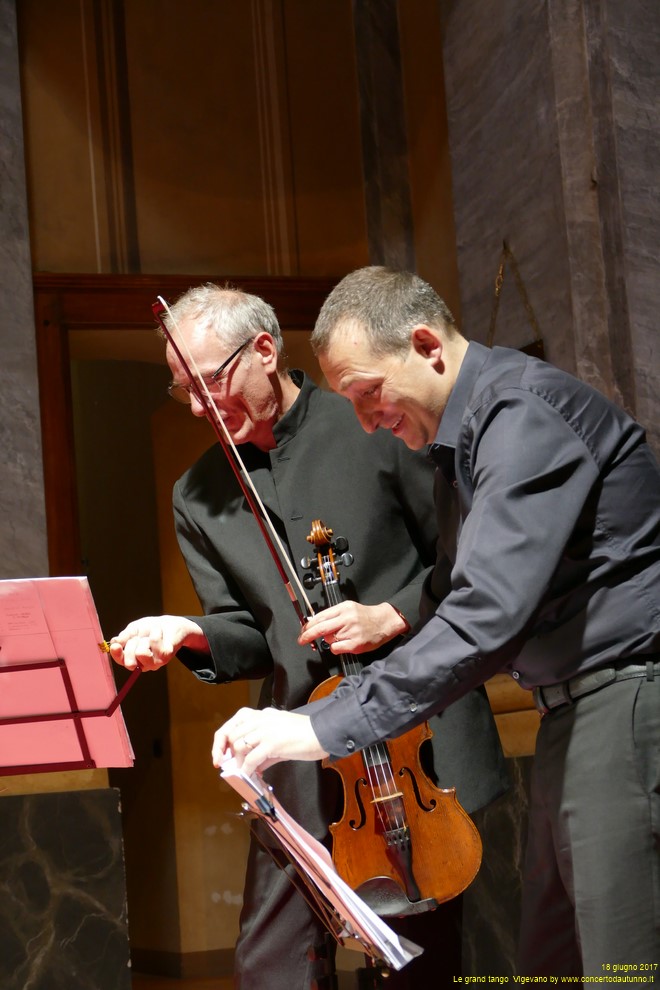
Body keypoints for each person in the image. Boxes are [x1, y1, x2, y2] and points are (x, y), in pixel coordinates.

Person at [214, 266, 660, 982]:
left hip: (625, 705)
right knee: (555, 964)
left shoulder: (521, 415)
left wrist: (321, 727)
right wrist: (387, 614)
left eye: (368, 394)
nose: (366, 421)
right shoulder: (468, 437)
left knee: (623, 967)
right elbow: (453, 583)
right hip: (573, 713)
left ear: (426, 344)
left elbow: (485, 613)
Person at [109, 283, 508, 990]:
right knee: (272, 961)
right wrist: (188, 633)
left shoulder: (374, 426)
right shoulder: (197, 492)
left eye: (210, 383)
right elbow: (253, 635)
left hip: (418, 737)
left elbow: (467, 562)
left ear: (265, 350)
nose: (200, 407)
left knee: (427, 956)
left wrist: (390, 613)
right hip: (300, 745)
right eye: (184, 392)